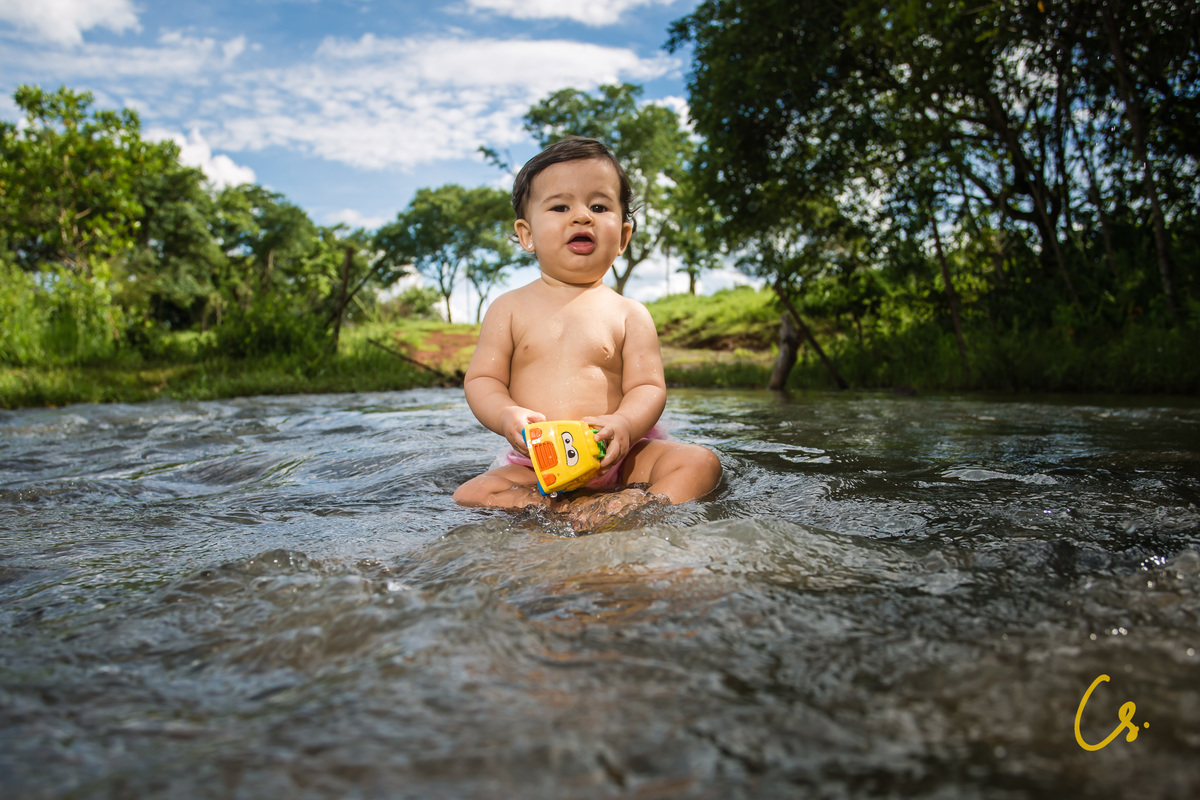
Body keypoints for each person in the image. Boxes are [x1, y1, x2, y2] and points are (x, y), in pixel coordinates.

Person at [452, 136, 722, 526]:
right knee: (471, 494)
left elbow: (648, 387)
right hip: (538, 463)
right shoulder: (507, 309)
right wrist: (505, 414)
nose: (582, 216)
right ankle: (564, 509)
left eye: (598, 206)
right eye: (561, 206)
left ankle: (631, 506)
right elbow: (482, 379)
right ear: (526, 234)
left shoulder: (630, 314)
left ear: (623, 237)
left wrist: (626, 424)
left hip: (621, 455)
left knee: (700, 462)